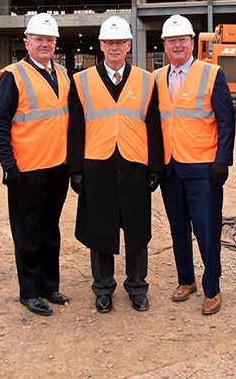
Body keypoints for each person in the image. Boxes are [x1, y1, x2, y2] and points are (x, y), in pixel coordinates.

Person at [67, 16, 164, 313]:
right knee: (101, 230)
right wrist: (75, 169)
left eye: (120, 42)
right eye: (109, 43)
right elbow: (75, 129)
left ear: (129, 45)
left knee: (137, 231)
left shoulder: (147, 81)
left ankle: (137, 287)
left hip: (135, 164)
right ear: (100, 45)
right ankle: (103, 288)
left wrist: (155, 167)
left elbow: (154, 126)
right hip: (97, 165)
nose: (114, 48)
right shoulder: (81, 81)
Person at [0, 13, 71, 317]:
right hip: (28, 171)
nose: (45, 44)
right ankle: (30, 292)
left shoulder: (62, 74)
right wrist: (8, 165)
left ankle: (50, 286)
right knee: (28, 233)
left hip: (57, 168)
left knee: (51, 231)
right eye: (39, 39)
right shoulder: (13, 75)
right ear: (27, 42)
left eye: (50, 40)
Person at [154, 14, 235, 315]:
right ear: (164, 45)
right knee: (178, 228)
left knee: (207, 229)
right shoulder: (158, 78)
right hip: (171, 167)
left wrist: (222, 161)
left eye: (182, 40)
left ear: (192, 43)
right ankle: (186, 280)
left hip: (203, 169)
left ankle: (212, 287)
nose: (177, 45)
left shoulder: (212, 74)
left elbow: (227, 122)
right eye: (171, 40)